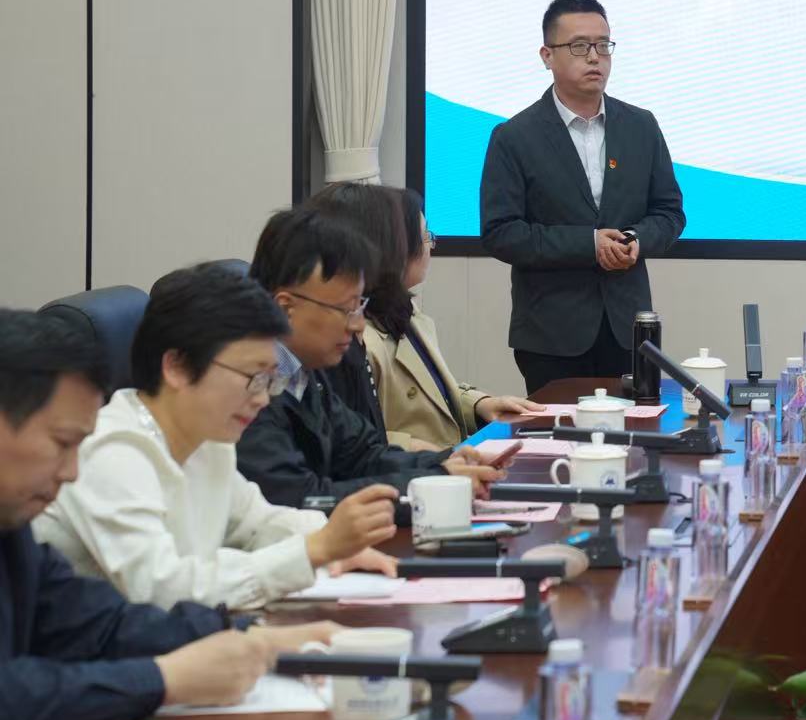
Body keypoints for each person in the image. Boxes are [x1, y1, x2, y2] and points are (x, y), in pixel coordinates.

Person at [0, 307, 339, 720]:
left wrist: (255, 641)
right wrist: (164, 679)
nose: (72, 473)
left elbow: (98, 623)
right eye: (62, 443)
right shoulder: (102, 458)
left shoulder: (12, 524)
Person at [35, 263, 400, 608]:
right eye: (253, 377)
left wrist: (334, 539)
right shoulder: (113, 452)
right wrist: (312, 551)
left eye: (271, 379)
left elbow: (256, 523)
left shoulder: (208, 441)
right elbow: (162, 589)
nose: (263, 398)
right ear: (177, 366)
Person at [479, 0, 686, 393]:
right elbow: (501, 232)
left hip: (628, 331)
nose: (594, 57)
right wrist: (589, 244)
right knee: (559, 431)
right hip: (551, 336)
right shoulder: (514, 137)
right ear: (547, 55)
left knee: (635, 429)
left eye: (603, 45)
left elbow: (669, 213)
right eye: (579, 46)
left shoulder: (641, 126)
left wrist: (636, 240)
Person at [235, 206, 505, 511]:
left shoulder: (304, 372)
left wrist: (445, 463)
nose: (358, 325)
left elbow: (363, 454)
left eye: (360, 306)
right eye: (346, 309)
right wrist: (435, 482)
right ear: (286, 307)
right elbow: (298, 498)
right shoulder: (246, 388)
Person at [310, 182, 539, 450]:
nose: (432, 246)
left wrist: (479, 405)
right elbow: (353, 437)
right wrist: (424, 451)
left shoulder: (402, 311)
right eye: (426, 236)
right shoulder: (353, 338)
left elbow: (433, 393)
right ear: (391, 249)